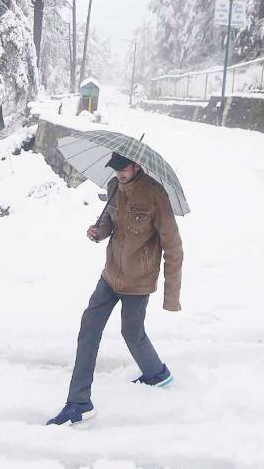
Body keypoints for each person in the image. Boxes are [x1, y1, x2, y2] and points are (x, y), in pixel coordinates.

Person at [46, 151, 184, 426]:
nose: (119, 173)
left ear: (136, 165)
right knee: (89, 328)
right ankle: (79, 402)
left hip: (138, 281)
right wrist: (99, 231)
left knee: (131, 333)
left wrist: (171, 297)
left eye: (124, 168)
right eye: (115, 168)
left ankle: (156, 373)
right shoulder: (113, 187)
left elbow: (174, 249)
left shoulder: (156, 196)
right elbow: (112, 222)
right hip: (110, 276)